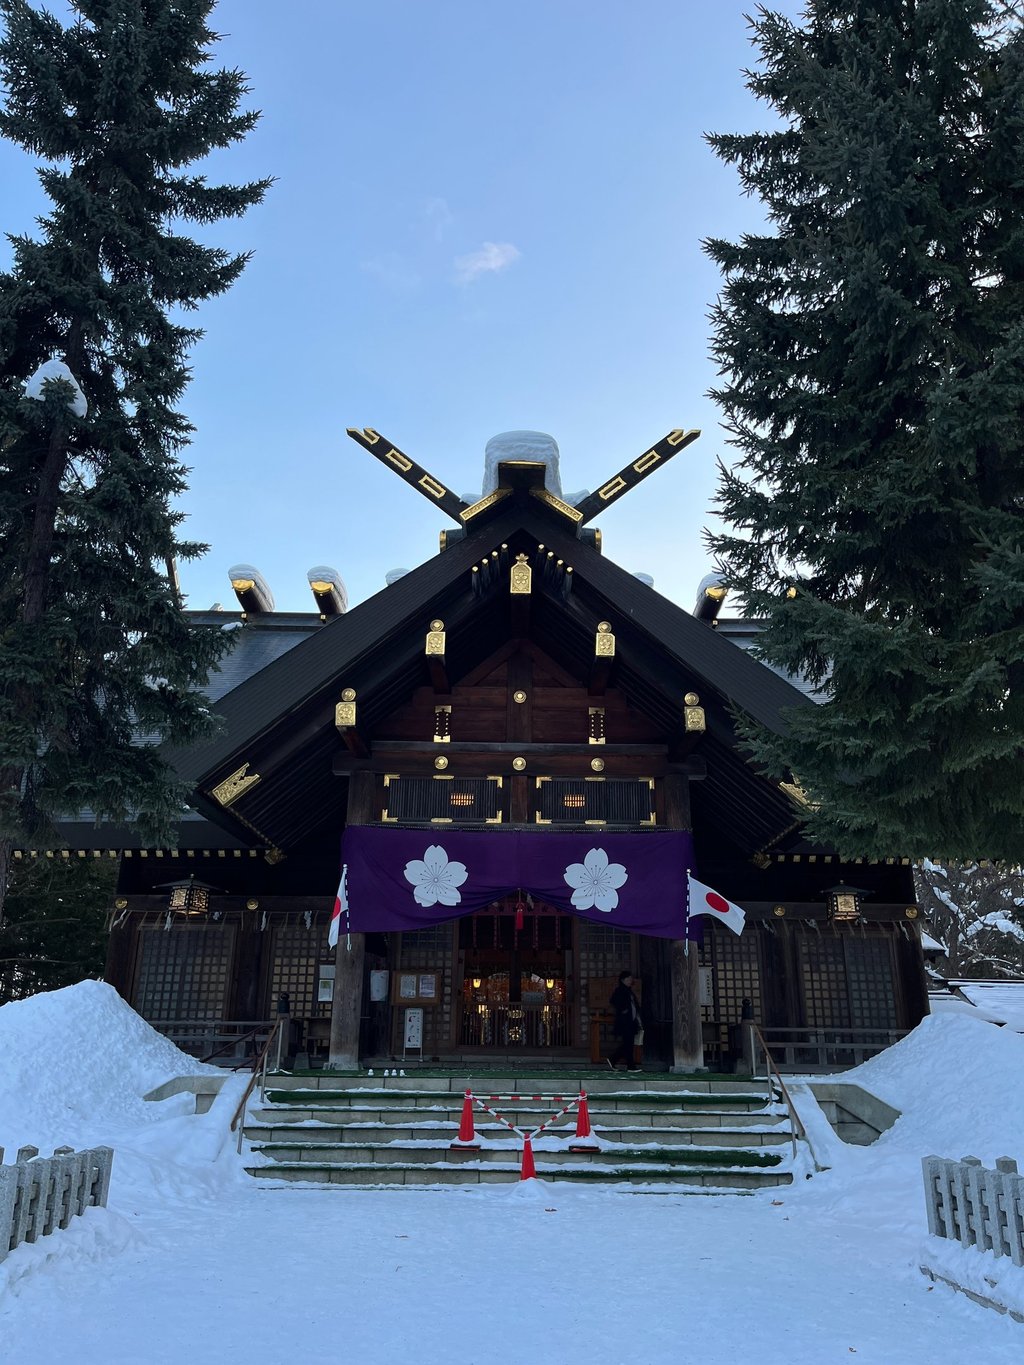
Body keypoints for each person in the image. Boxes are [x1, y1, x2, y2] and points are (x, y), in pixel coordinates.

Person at [608, 971, 642, 1072]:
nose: (630, 980)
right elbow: (614, 1001)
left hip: (630, 1021)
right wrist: (623, 1009)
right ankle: (626, 1064)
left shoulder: (628, 990)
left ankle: (618, 1061)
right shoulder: (620, 990)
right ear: (623, 980)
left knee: (628, 1044)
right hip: (625, 1021)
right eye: (629, 979)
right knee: (628, 1044)